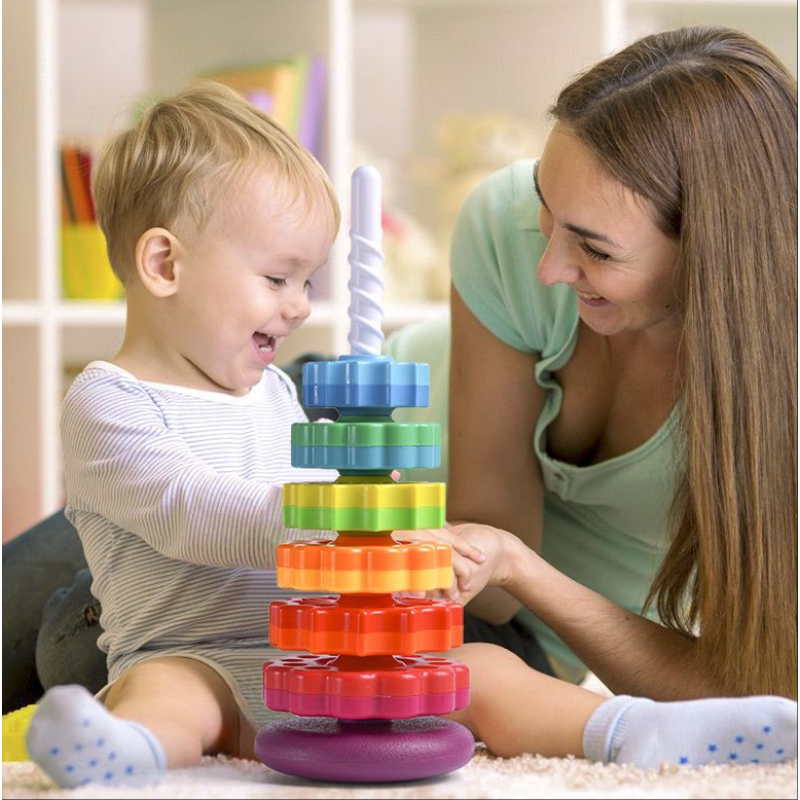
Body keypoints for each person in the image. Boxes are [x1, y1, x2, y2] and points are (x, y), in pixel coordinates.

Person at [388, 24, 797, 767]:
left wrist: (521, 567)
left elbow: (757, 693)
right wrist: (498, 566)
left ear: (709, 254)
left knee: (428, 682)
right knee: (164, 622)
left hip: (515, 643)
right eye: (546, 204)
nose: (546, 264)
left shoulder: (781, 385)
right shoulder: (505, 224)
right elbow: (482, 586)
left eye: (595, 249)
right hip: (347, 463)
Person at [24, 82, 355, 788]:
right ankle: (123, 749)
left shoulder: (275, 391)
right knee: (170, 698)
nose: (299, 307)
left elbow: (326, 510)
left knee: (487, 672)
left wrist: (377, 528)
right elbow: (189, 512)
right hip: (188, 654)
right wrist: (323, 515)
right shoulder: (108, 402)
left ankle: (620, 724)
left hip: (311, 661)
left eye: (308, 280)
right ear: (165, 265)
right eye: (278, 277)